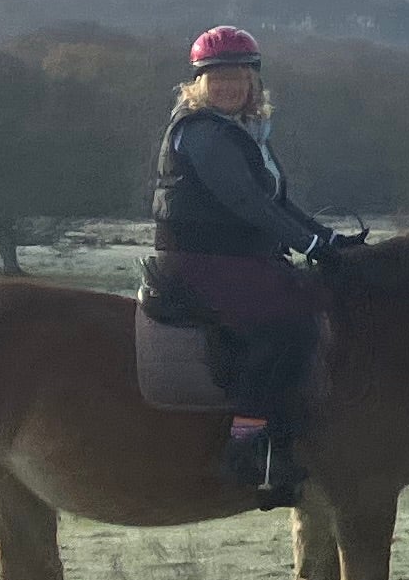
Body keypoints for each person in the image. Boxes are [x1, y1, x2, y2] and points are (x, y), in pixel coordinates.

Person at [147, 26, 347, 502]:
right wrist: (309, 246)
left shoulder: (246, 133)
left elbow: (275, 201)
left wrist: (331, 240)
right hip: (202, 261)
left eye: (237, 77)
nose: (228, 86)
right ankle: (248, 443)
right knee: (288, 328)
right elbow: (245, 203)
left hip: (238, 259)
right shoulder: (201, 134)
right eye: (217, 78)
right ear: (199, 83)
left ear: (253, 82)